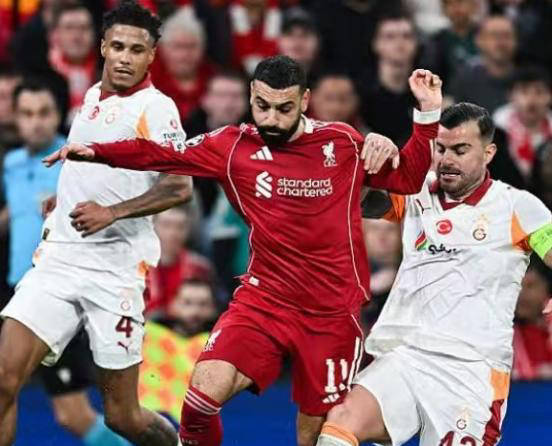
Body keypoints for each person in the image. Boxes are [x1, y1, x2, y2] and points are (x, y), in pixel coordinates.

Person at [45, 55, 443, 446]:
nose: (271, 119)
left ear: (305, 100)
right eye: (262, 106)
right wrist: (98, 150)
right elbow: (163, 152)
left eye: (284, 109)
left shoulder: (342, 143)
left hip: (331, 313)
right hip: (264, 301)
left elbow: (409, 179)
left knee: (315, 437)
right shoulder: (232, 146)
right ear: (251, 95)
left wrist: (426, 114)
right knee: (199, 400)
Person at [0, 2, 193, 445]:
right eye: (118, 46)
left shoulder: (156, 109)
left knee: (123, 417)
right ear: (103, 47)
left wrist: (112, 212)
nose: (125, 57)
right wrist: (64, 196)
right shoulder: (90, 98)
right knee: (4, 378)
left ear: (152, 56)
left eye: (137, 50)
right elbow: (92, 165)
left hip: (114, 272)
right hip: (59, 261)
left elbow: (179, 186)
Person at [315, 102, 552, 446]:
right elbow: (358, 200)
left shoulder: (517, 206)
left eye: (460, 150)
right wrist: (370, 162)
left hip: (472, 371)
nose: (447, 160)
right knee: (341, 422)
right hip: (406, 356)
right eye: (441, 149)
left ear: (488, 153)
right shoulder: (417, 192)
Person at [360, 11, 420, 146]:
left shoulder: (429, 91)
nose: (400, 43)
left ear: (416, 43)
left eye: (407, 36)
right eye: (390, 37)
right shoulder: (360, 93)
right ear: (376, 44)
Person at [448, 15, 517, 114]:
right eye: (494, 36)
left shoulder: (526, 79)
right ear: (479, 40)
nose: (501, 43)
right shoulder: (464, 80)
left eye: (507, 36)